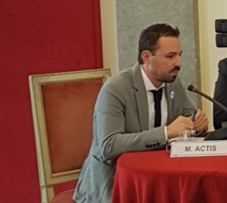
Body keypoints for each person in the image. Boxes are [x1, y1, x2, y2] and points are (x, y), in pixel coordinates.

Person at [74, 24, 209, 203]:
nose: (179, 63)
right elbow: (109, 145)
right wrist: (166, 133)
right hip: (115, 184)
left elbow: (188, 118)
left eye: (180, 55)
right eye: (170, 56)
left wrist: (198, 125)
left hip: (157, 179)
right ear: (146, 57)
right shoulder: (116, 88)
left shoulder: (172, 83)